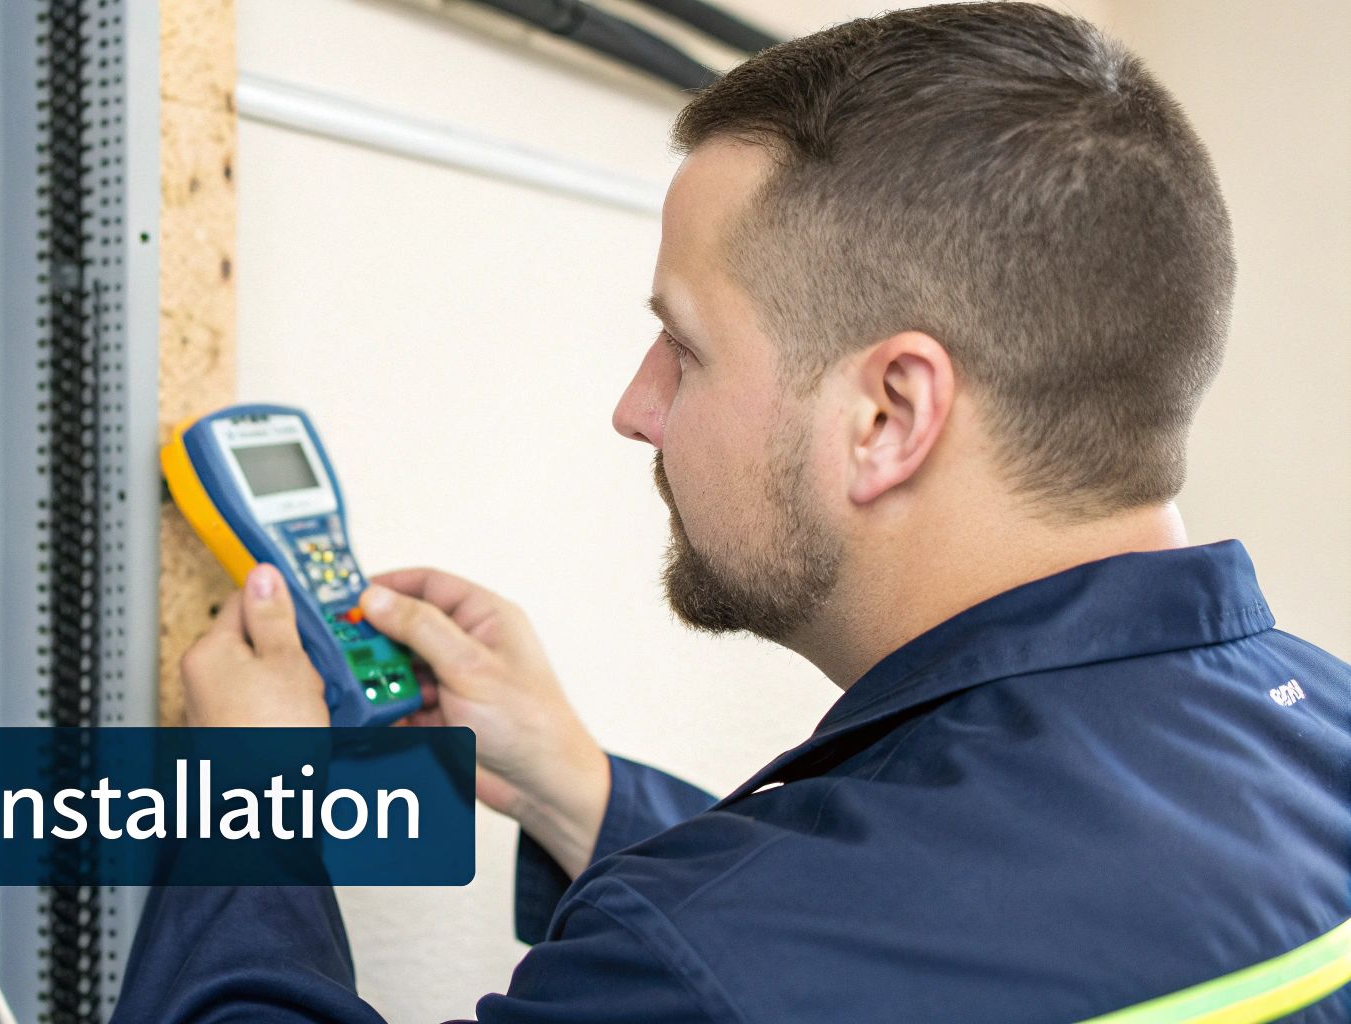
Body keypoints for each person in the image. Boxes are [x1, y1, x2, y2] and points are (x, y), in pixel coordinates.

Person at [113, 3, 1351, 1021]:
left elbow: (778, 947)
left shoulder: (710, 964)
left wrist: (248, 788)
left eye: (682, 345)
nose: (634, 406)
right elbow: (924, 914)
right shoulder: (1325, 741)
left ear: (886, 414)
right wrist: (577, 787)